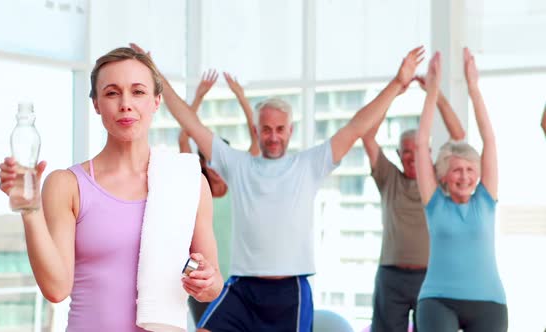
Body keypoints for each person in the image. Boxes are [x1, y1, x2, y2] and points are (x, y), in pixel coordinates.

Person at [142, 42, 424, 331]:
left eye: (279, 129)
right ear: (257, 131)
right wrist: (156, 76)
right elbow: (190, 122)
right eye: (266, 129)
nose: (273, 136)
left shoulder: (308, 165)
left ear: (290, 131)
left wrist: (397, 83)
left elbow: (355, 127)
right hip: (242, 288)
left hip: (290, 291)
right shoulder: (238, 165)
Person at [0, 47, 223, 331]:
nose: (125, 104)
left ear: (156, 101)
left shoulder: (188, 181)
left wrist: (206, 281)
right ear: (96, 104)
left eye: (138, 92)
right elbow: (56, 288)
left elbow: (214, 286)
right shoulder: (67, 185)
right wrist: (30, 212)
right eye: (112, 93)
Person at [363, 73, 465, 332]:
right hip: (391, 276)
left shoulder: (438, 179)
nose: (411, 156)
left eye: (417, 149)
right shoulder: (388, 178)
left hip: (429, 277)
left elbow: (458, 135)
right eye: (406, 151)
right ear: (398, 154)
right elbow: (367, 136)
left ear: (427, 152)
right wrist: (395, 90)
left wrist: (435, 94)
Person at [414, 49, 507, 331]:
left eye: (470, 169)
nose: (464, 176)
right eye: (456, 170)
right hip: (437, 301)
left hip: (489, 302)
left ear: (478, 173)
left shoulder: (485, 200)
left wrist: (474, 89)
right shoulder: (434, 203)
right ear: (442, 175)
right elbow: (420, 144)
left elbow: (489, 140)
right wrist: (431, 92)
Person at [179, 69, 260, 324]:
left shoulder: (240, 184)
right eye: (207, 160)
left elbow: (256, 140)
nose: (213, 167)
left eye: (218, 161)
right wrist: (199, 96)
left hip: (237, 283)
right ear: (201, 161)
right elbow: (184, 136)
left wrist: (241, 97)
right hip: (202, 277)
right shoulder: (195, 185)